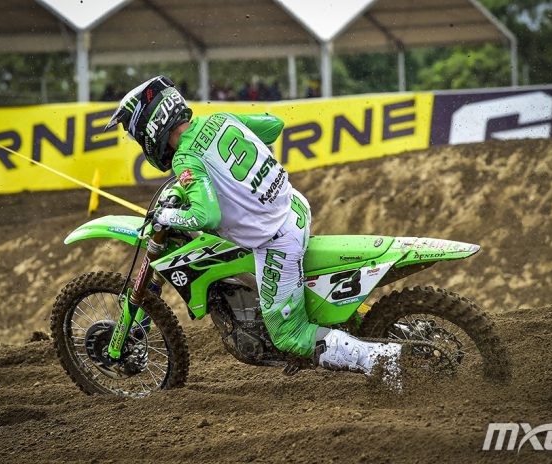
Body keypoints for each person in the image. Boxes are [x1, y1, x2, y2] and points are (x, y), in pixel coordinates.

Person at [105, 76, 404, 382]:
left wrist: (166, 215)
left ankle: (382, 360)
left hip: (276, 239)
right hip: (293, 206)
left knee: (288, 335)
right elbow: (274, 126)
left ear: (150, 129)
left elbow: (206, 216)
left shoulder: (185, 158)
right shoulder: (219, 119)